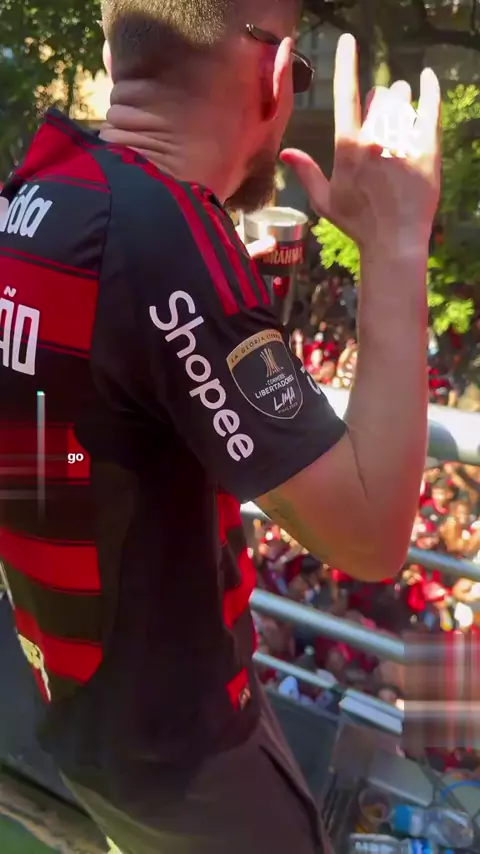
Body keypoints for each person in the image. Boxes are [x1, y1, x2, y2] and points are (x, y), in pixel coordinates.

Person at [0, 0, 441, 850]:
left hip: (75, 706)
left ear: (115, 55)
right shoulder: (166, 238)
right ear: (275, 77)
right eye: (300, 73)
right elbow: (372, 536)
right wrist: (395, 242)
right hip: (183, 757)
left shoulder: (39, 188)